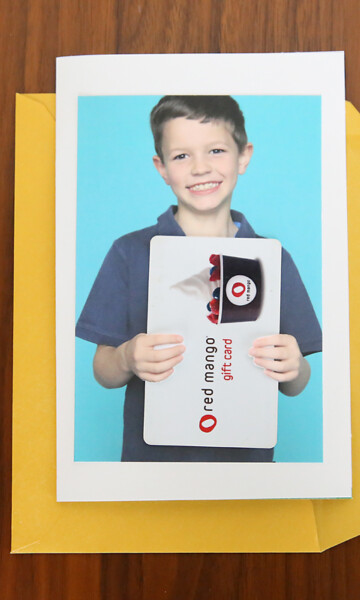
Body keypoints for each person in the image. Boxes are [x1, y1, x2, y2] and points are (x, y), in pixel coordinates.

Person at [76, 95, 322, 462]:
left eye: (217, 150)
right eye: (181, 156)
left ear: (244, 156)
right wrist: (127, 357)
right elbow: (104, 371)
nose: (200, 167)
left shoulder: (273, 258)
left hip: (246, 473)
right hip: (151, 469)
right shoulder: (130, 252)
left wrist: (294, 367)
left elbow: (296, 384)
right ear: (161, 167)